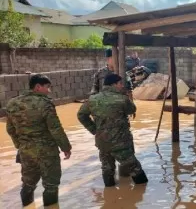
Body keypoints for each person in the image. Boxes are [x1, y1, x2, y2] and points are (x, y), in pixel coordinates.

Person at [6, 74, 72, 207]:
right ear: (37, 87)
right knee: (51, 185)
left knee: (28, 183)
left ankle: (27, 205)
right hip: (46, 152)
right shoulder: (45, 103)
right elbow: (55, 129)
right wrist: (66, 147)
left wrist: (20, 145)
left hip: (26, 151)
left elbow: (10, 129)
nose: (49, 91)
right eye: (47, 87)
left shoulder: (12, 103)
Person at [77, 74, 148, 187]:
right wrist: (127, 97)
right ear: (113, 85)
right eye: (120, 83)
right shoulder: (122, 99)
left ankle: (109, 194)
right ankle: (142, 192)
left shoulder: (92, 99)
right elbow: (132, 109)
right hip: (121, 143)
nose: (121, 86)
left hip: (103, 142)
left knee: (107, 168)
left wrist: (94, 130)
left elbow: (81, 115)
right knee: (135, 168)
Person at [91, 48, 135, 176]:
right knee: (105, 147)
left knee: (125, 142)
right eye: (114, 58)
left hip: (120, 113)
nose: (117, 61)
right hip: (103, 115)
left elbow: (129, 91)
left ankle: (124, 174)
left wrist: (131, 106)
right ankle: (109, 173)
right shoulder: (100, 74)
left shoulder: (122, 73)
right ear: (108, 59)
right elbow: (94, 93)